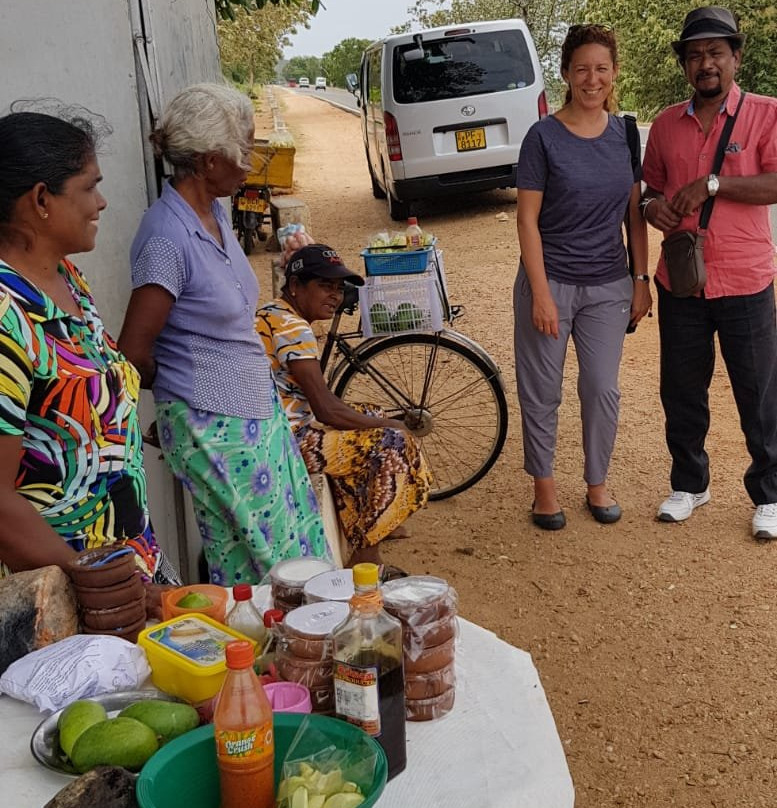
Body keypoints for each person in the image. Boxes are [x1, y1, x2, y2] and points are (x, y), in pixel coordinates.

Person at [118, 84, 328, 584]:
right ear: (209, 161)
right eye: (244, 151)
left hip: (255, 413)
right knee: (273, 567)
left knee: (282, 549)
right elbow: (131, 352)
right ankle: (274, 656)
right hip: (215, 424)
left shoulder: (213, 213)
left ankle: (273, 656)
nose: (251, 163)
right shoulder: (166, 236)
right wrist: (179, 397)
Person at [0, 104, 180, 613]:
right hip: (63, 598)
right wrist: (98, 583)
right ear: (40, 199)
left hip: (129, 566)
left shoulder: (67, 282)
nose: (101, 202)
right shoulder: (7, 317)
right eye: (89, 186)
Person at [641, 6, 777, 538]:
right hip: (681, 280)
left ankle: (768, 494)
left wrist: (714, 184)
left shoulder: (765, 114)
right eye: (695, 54)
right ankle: (690, 483)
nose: (706, 63)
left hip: (745, 278)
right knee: (681, 388)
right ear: (684, 65)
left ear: (735, 57)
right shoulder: (666, 126)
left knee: (759, 391)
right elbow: (650, 189)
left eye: (716, 52)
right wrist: (653, 209)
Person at [514, 23, 650, 531]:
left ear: (613, 74)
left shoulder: (624, 134)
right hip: (550, 282)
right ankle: (544, 487)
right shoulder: (543, 136)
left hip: (608, 285)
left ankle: (597, 482)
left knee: (601, 388)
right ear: (567, 75)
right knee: (542, 389)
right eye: (581, 70)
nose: (592, 79)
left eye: (601, 69)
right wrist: (542, 293)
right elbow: (527, 218)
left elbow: (633, 213)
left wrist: (641, 278)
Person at [255, 240, 431, 567]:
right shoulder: (293, 328)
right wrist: (394, 425)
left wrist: (377, 420)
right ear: (295, 285)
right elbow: (326, 410)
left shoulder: (273, 312)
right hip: (286, 442)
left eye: (338, 288)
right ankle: (366, 554)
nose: (335, 296)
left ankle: (373, 520)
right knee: (392, 445)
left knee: (371, 415)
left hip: (278, 431)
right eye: (325, 286)